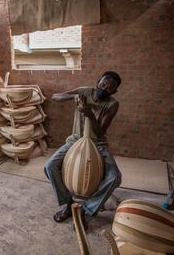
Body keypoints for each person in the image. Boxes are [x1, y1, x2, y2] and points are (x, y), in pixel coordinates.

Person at [44, 71, 122, 227]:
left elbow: (100, 132)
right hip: (75, 140)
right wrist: (73, 96)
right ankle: (68, 203)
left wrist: (89, 114)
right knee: (50, 166)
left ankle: (87, 210)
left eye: (109, 88)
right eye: (103, 84)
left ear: (114, 91)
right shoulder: (84, 91)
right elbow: (56, 97)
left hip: (98, 144)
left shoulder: (113, 104)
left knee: (115, 177)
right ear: (98, 81)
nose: (104, 89)